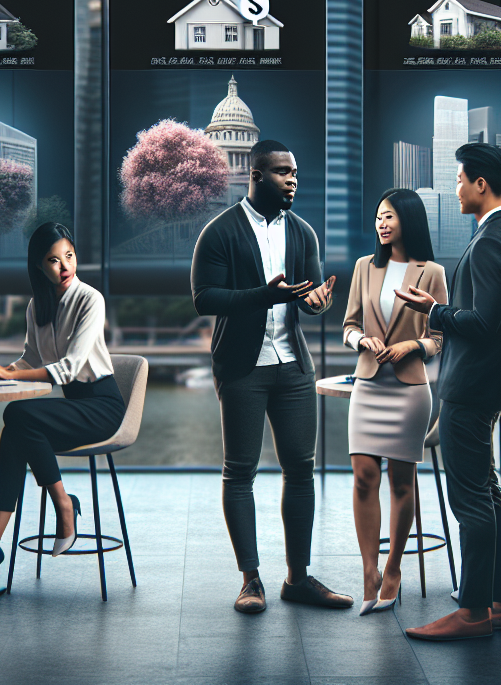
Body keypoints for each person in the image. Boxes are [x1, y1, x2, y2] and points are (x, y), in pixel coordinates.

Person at [191, 139, 350, 614]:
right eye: (282, 172)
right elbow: (205, 299)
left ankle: (297, 579)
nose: (292, 180)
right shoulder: (219, 232)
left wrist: (317, 303)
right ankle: (251, 580)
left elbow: (307, 296)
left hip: (293, 367)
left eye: (295, 172)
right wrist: (264, 294)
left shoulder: (303, 233)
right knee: (240, 471)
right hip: (242, 367)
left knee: (301, 468)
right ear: (255, 176)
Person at [396, 143, 501, 641]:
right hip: (483, 384)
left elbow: (485, 323)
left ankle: (472, 612)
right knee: (488, 493)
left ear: (480, 185)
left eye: (459, 180)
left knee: (470, 499)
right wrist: (437, 305)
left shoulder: (494, 238)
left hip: (471, 387)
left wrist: (433, 313)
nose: (455, 189)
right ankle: (498, 602)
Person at [0, 223, 125, 591]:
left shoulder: (90, 299)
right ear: (39, 266)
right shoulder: (38, 306)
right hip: (74, 407)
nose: (64, 266)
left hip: (103, 408)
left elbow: (69, 367)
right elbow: (30, 358)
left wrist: (9, 373)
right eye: (53, 260)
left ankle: (62, 507)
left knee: (17, 417)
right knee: (16, 429)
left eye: (69, 256)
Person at [342, 188, 447, 615]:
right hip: (368, 384)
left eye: (388, 217)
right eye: (377, 218)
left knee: (402, 481)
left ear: (408, 219)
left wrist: (412, 347)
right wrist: (359, 339)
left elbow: (440, 337)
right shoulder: (364, 267)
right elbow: (347, 324)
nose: (381, 224)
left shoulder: (432, 271)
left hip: (408, 389)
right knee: (364, 476)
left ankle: (393, 569)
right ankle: (369, 571)